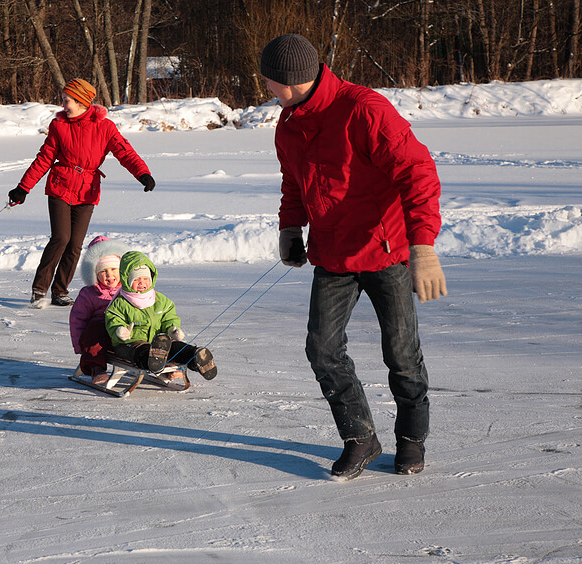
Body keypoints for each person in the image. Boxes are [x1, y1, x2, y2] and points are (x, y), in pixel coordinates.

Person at [260, 33, 447, 480]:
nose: (264, 88)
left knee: (401, 353)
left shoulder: (364, 109)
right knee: (322, 349)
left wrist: (423, 246)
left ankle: (411, 439)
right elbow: (294, 181)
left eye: (268, 80)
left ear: (290, 80)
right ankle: (360, 436)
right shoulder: (288, 124)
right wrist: (291, 226)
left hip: (387, 252)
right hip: (333, 255)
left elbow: (418, 172)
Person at [7, 78, 155, 308]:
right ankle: (39, 288)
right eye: (64, 100)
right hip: (60, 185)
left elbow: (125, 152)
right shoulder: (59, 126)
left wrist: (142, 173)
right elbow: (44, 159)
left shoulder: (105, 127)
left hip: (87, 190)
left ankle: (60, 291)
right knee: (61, 238)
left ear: (82, 101)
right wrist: (23, 188)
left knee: (75, 244)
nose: (63, 105)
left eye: (67, 101)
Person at [105, 251, 217, 381]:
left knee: (175, 347)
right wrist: (120, 330)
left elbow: (169, 317)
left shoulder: (160, 300)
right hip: (130, 343)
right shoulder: (120, 302)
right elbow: (113, 320)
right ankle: (153, 361)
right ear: (127, 280)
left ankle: (196, 357)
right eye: (137, 279)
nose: (142, 283)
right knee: (142, 352)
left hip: (160, 343)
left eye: (146, 279)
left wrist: (172, 329)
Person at [69, 235, 131, 385]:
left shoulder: (128, 290)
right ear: (95, 274)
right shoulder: (89, 294)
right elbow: (77, 319)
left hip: (126, 335)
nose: (109, 275)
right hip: (101, 338)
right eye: (103, 271)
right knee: (95, 327)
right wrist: (80, 345)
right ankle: (95, 367)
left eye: (113, 269)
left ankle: (162, 363)